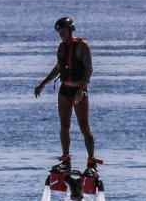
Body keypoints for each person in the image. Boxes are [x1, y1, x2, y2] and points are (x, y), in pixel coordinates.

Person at [34, 16, 100, 175]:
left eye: (63, 32)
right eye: (59, 33)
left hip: (79, 90)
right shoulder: (62, 47)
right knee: (64, 125)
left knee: (84, 127)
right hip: (64, 91)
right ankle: (65, 161)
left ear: (70, 30)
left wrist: (80, 91)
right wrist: (43, 84)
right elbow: (58, 68)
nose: (62, 35)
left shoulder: (82, 46)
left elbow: (89, 70)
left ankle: (91, 163)